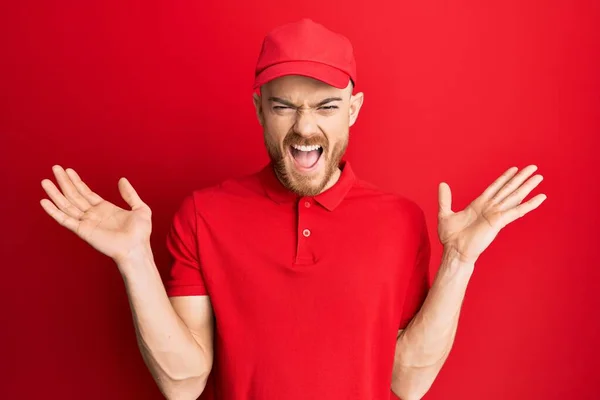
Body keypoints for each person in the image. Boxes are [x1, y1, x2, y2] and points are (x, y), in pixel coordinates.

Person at [40, 18, 546, 400]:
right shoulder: (203, 215)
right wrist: (135, 261)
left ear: (354, 109)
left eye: (326, 106)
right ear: (259, 108)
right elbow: (184, 383)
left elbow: (408, 382)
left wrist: (459, 263)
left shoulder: (402, 221)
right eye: (284, 106)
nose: (305, 128)